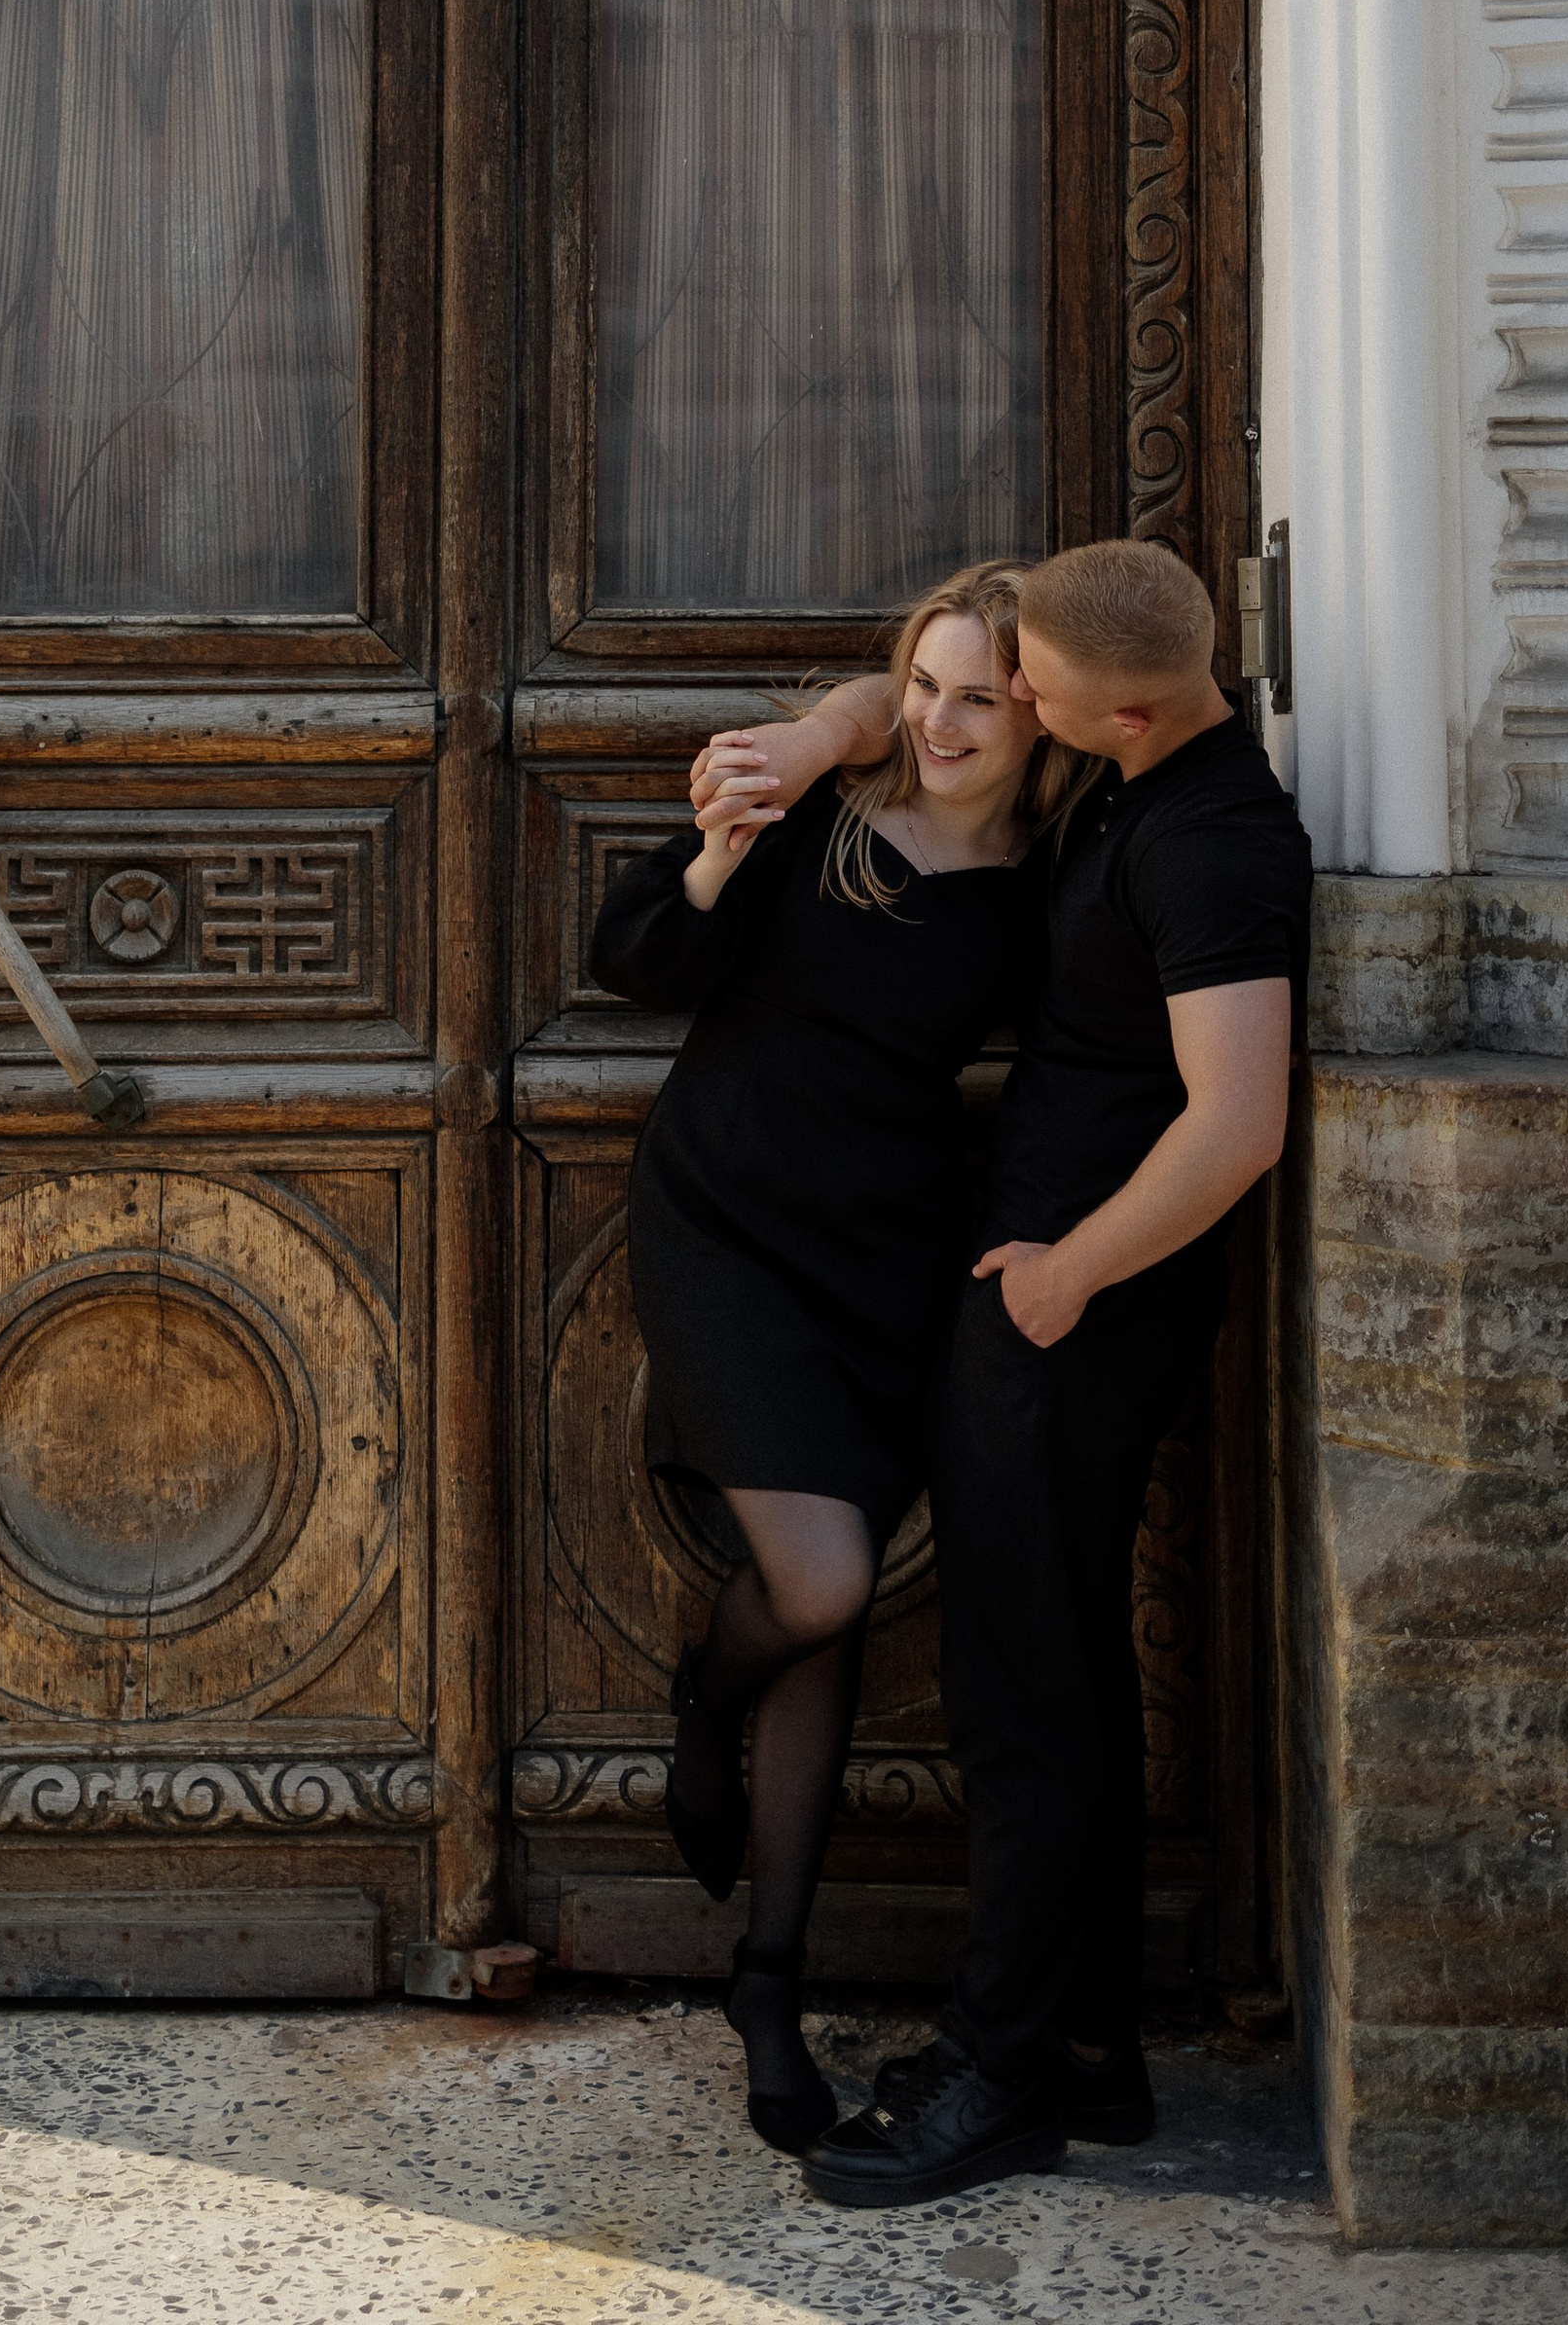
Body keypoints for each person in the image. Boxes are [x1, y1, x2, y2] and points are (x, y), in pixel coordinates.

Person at [687, 537, 1313, 2211]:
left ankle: (1003, 2075)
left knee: (1023, 1708)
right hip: (1031, 1297)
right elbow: (899, 698)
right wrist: (824, 742)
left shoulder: (1217, 844)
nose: (1003, 702)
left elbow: (1236, 1124)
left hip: (1073, 1314)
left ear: (1110, 703)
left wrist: (1063, 1278)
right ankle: (1091, 2047)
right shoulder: (1136, 757)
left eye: (1026, 682)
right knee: (1061, 1685)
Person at [589, 563, 1082, 2155]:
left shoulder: (1047, 877)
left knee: (837, 1604)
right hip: (725, 1218)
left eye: (981, 697)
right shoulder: (819, 803)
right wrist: (730, 850)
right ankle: (697, 1696)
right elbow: (635, 959)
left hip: (884, 1259)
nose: (941, 721)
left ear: (1039, 717)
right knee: (815, 1583)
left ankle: (768, 1983)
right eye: (926, 686)